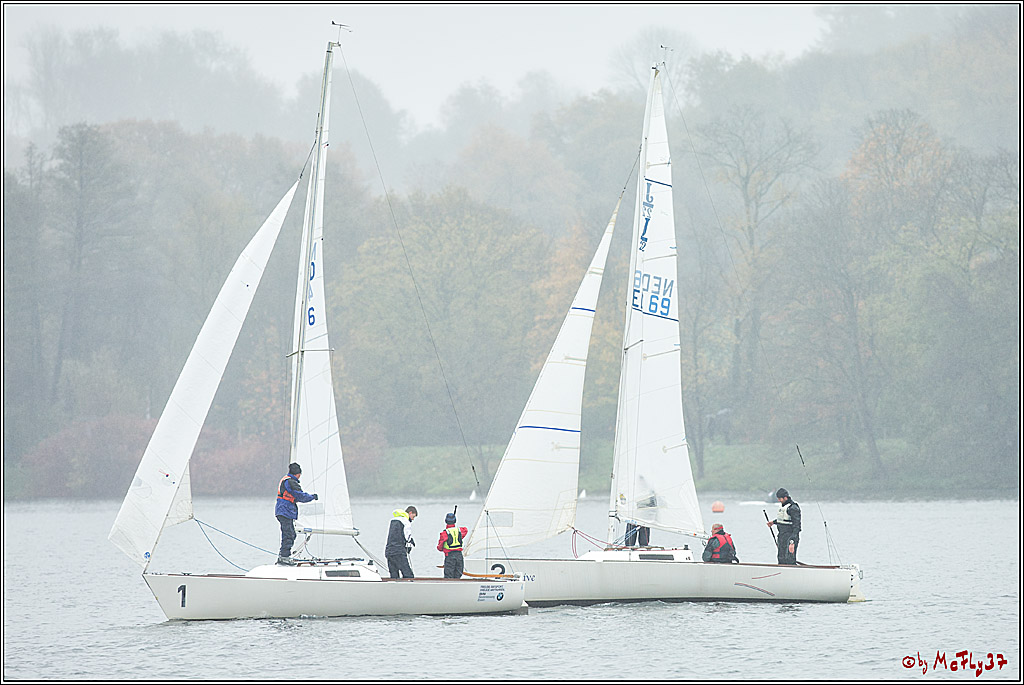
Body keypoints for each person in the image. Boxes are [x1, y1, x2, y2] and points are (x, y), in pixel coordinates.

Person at [275, 462, 317, 565]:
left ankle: (284, 555)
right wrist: (312, 497)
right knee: (289, 534)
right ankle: (284, 557)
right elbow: (300, 496)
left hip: (283, 511)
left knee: (291, 534)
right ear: (298, 474)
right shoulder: (291, 482)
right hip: (285, 511)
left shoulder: (286, 480)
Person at [766, 487, 801, 564]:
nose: (779, 500)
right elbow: (783, 520)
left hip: (790, 537)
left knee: (789, 559)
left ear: (785, 497)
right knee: (781, 558)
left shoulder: (793, 508)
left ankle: (792, 572)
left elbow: (797, 527)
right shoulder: (782, 506)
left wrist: (792, 542)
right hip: (782, 536)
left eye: (780, 499)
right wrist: (773, 522)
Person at [384, 506, 418, 578]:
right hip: (398, 551)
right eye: (413, 516)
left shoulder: (393, 520)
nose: (413, 519)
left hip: (388, 551)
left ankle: (394, 588)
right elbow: (407, 536)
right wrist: (409, 545)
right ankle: (410, 588)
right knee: (408, 575)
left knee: (394, 575)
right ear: (410, 513)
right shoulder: (406, 522)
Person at [437, 512, 468, 578]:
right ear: (455, 521)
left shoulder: (444, 533)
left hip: (449, 557)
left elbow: (439, 548)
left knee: (449, 577)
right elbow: (465, 530)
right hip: (459, 557)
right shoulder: (460, 531)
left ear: (445, 521)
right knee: (458, 576)